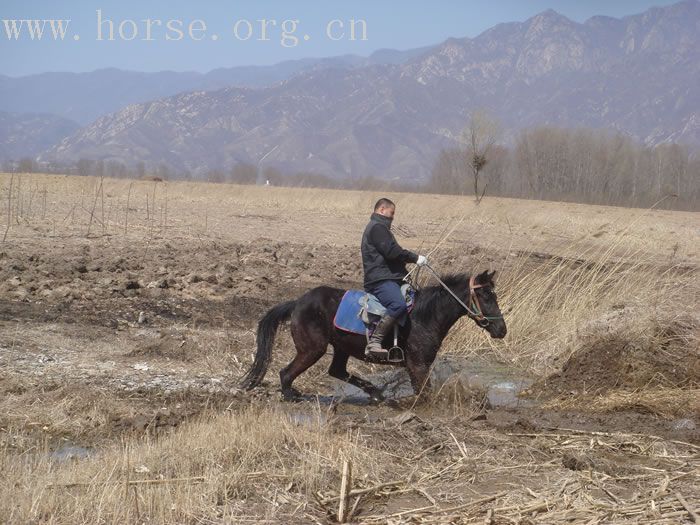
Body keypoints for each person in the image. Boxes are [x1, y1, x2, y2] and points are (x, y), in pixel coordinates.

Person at [361, 198, 428, 357]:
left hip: (388, 277)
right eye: (392, 214)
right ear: (382, 210)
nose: (392, 218)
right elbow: (392, 252)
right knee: (398, 304)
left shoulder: (381, 228)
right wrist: (414, 258)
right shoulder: (377, 228)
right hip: (380, 279)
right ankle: (375, 342)